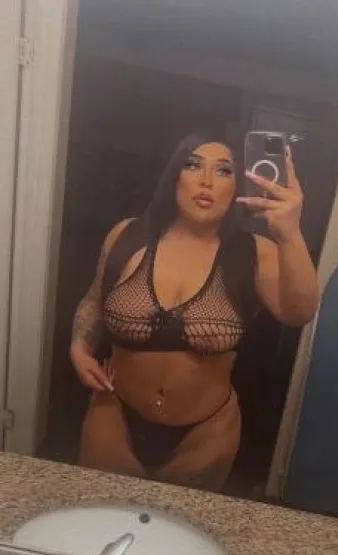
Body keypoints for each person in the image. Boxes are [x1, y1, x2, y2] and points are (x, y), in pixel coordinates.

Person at [70, 133, 318, 490]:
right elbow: (94, 300)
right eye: (193, 165)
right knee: (99, 514)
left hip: (205, 434)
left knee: (179, 523)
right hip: (115, 415)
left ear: (237, 186)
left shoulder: (255, 253)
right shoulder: (127, 235)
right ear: (175, 176)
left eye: (223, 171)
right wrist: (79, 349)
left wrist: (290, 235)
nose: (206, 181)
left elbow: (299, 312)